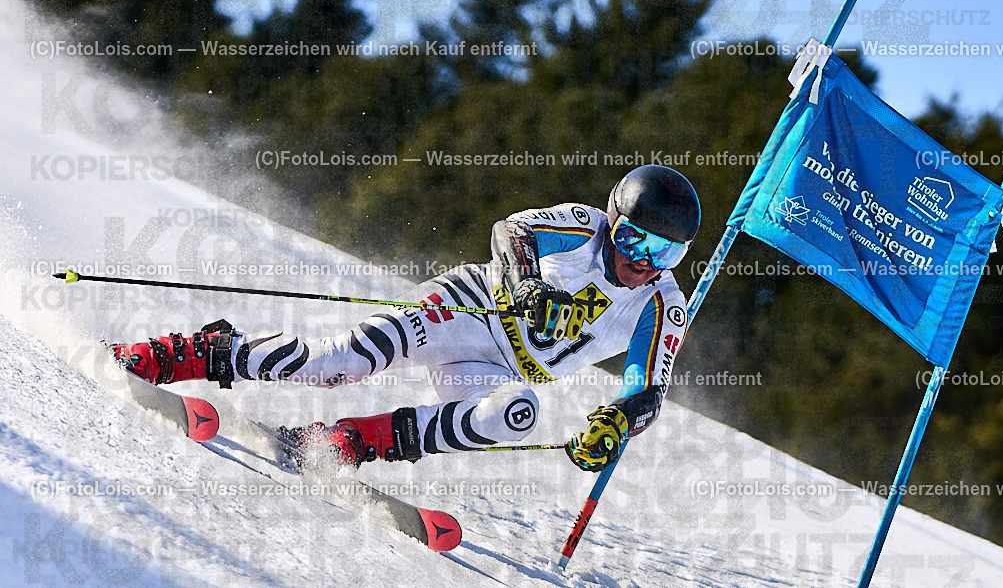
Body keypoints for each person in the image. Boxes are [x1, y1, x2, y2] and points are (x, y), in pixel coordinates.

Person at [112, 165, 700, 472]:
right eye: (632, 240)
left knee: (517, 415)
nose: (638, 263)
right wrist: (526, 288)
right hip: (464, 309)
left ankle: (343, 443)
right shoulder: (582, 224)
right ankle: (188, 352)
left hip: (502, 367)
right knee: (333, 365)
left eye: (662, 254)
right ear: (611, 218)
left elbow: (648, 390)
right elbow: (511, 231)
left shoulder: (661, 303)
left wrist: (616, 424)